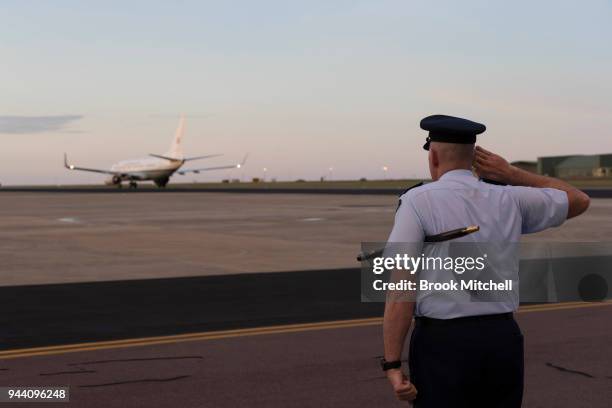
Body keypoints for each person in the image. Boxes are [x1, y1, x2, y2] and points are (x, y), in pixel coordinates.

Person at [382, 114, 590, 407]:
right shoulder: (510, 198)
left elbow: (400, 290)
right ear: (475, 158)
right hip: (501, 339)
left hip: (443, 343)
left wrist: (392, 364)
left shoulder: (418, 200)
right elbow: (578, 199)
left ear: (434, 156)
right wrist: (513, 174)